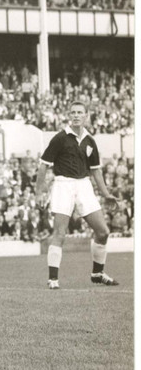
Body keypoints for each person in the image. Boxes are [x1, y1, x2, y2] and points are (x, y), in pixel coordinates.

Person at [34, 101, 119, 289]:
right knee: (60, 233)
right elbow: (43, 166)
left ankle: (97, 273)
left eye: (80, 112)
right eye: (72, 112)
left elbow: (96, 171)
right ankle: (53, 279)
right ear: (68, 115)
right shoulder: (60, 138)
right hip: (63, 184)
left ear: (86, 115)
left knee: (103, 231)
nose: (76, 115)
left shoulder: (90, 141)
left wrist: (106, 194)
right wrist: (39, 192)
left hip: (84, 185)